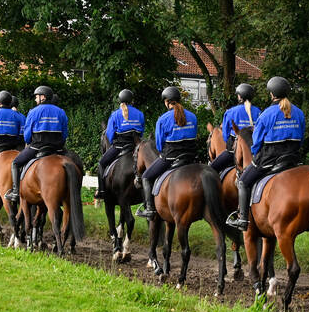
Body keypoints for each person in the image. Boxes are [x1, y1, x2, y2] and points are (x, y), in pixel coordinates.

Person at [227, 77, 306, 231]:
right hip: (293, 159)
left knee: (243, 181)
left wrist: (256, 155)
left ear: (271, 94)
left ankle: (242, 219)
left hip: (270, 159)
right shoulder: (299, 112)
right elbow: (301, 138)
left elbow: (256, 142)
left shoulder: (266, 114)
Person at [136, 87, 199, 218]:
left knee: (146, 177)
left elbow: (159, 144)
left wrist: (162, 152)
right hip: (191, 157)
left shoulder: (163, 119)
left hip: (171, 157)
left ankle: (150, 209)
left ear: (167, 102)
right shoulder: (193, 116)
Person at [6, 86, 69, 201]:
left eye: (36, 97)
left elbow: (27, 135)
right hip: (58, 149)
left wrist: (29, 142)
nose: (35, 99)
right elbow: (65, 133)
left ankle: (15, 192)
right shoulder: (61, 112)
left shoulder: (34, 111)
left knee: (15, 163)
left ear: (43, 97)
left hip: (37, 147)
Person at [94, 89, 145, 201]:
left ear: (120, 100)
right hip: (136, 147)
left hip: (120, 146)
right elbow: (141, 132)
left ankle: (102, 191)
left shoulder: (115, 114)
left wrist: (113, 143)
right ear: (132, 100)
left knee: (101, 163)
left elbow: (109, 134)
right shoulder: (140, 114)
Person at [209, 83, 258, 176]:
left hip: (234, 150)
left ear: (239, 97)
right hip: (253, 151)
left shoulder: (231, 112)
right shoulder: (258, 111)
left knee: (211, 169)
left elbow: (225, 135)